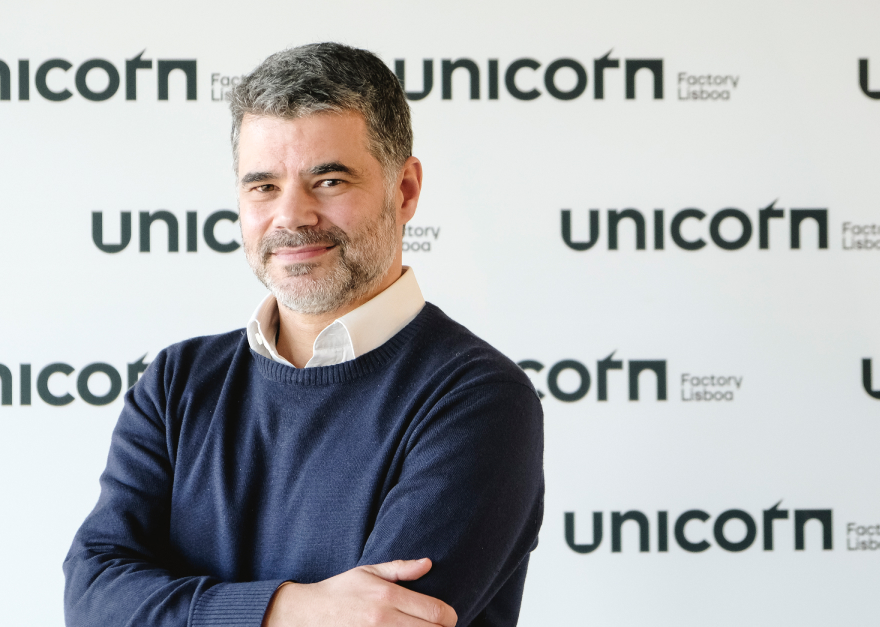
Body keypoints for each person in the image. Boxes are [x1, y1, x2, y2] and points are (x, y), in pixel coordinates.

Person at [63, 42, 544, 627]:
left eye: (330, 180)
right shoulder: (177, 383)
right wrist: (286, 609)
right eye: (263, 186)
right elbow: (92, 599)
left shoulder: (477, 398)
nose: (291, 216)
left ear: (405, 191)